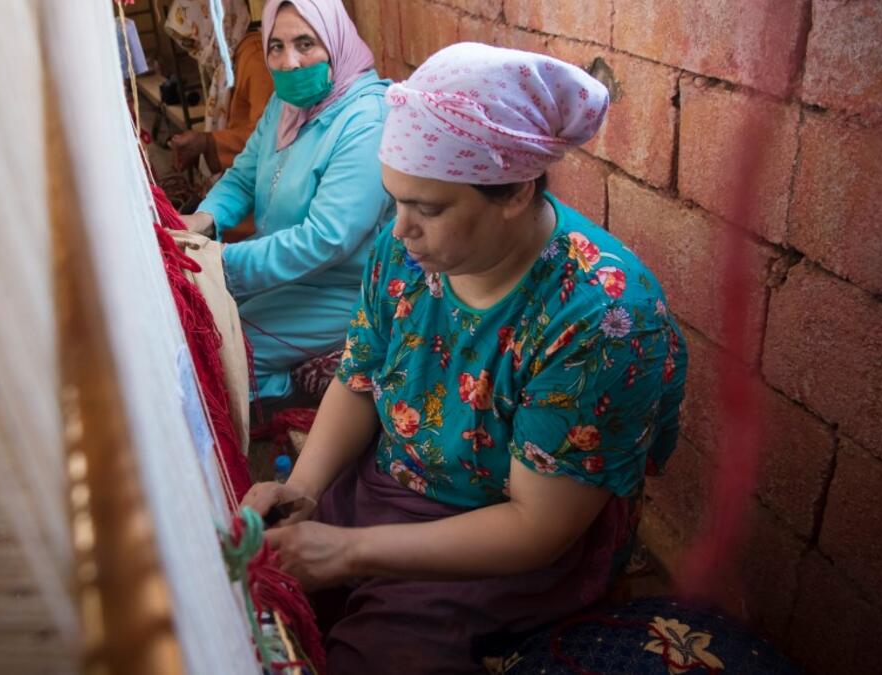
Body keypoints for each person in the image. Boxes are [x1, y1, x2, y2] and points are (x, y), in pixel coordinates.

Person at [242, 43, 689, 673]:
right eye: (395, 200)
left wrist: (348, 552)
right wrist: (303, 491)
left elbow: (536, 526)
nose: (399, 230)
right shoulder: (408, 253)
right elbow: (359, 378)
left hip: (496, 539)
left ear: (514, 192)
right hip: (389, 484)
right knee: (253, 574)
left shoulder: (604, 319)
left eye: (427, 208)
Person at [180, 0, 394, 401]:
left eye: (305, 43)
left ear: (336, 42)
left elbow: (326, 239)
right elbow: (243, 177)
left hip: (344, 287)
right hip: (283, 273)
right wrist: (205, 220)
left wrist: (218, 263)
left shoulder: (366, 121)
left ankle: (289, 393)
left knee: (222, 347)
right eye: (275, 46)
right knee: (194, 320)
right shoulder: (287, 105)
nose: (289, 61)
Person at [166, 15, 274, 175]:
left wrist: (208, 142)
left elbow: (270, 136)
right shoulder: (230, 60)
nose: (199, 52)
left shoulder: (255, 58)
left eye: (195, 41)